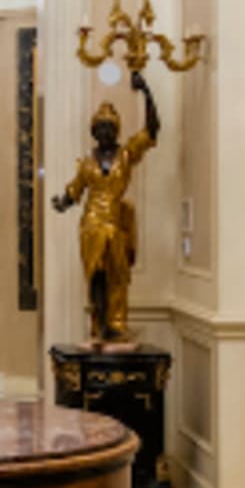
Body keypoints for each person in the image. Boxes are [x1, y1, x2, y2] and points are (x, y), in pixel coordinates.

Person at [52, 71, 160, 345]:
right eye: (99, 128)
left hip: (116, 222)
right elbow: (74, 190)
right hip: (90, 224)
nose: (104, 132)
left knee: (118, 276)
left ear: (116, 130)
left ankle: (117, 324)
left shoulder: (126, 154)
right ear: (94, 131)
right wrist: (61, 202)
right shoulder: (87, 163)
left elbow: (152, 129)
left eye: (109, 127)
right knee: (95, 274)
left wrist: (146, 91)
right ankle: (99, 323)